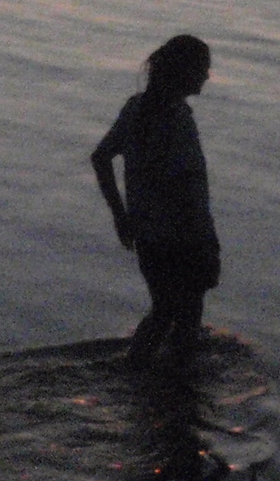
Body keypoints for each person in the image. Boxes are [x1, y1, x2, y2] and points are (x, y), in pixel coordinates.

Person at [91, 33, 219, 368]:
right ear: (185, 73)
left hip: (149, 236)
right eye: (203, 69)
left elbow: (101, 157)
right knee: (185, 316)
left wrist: (122, 216)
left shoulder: (138, 109)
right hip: (183, 239)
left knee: (164, 312)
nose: (207, 76)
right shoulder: (174, 119)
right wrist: (207, 243)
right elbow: (186, 190)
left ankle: (138, 374)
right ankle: (175, 392)